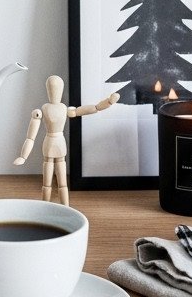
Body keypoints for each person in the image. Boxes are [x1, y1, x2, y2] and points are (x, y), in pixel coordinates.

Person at [13, 74, 119, 205]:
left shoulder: (63, 108)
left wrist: (108, 102)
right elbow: (30, 136)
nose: (54, 91)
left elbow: (90, 109)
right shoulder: (44, 109)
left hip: (59, 144)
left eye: (57, 88)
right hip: (49, 143)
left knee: (62, 183)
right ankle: (44, 206)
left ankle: (66, 207)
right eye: (52, 87)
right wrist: (23, 156)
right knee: (46, 182)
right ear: (48, 89)